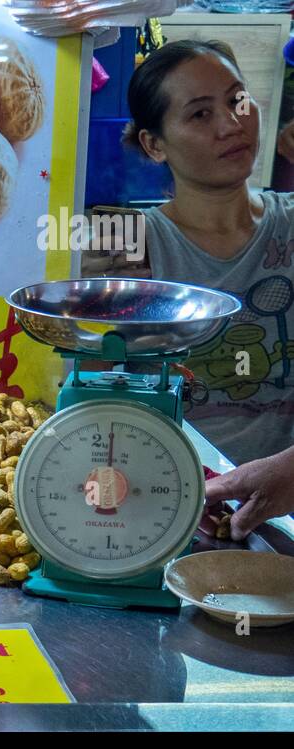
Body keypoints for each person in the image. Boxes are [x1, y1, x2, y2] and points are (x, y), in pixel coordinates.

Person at [120, 39, 294, 537]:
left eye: (237, 100)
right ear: (155, 145)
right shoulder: (123, 241)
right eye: (199, 115)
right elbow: (97, 386)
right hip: (172, 511)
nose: (231, 124)